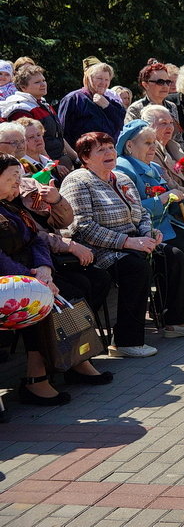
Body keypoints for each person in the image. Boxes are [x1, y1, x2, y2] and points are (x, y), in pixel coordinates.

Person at [0, 155, 115, 405]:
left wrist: (44, 269)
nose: (17, 185)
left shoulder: (10, 206)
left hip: (29, 273)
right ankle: (35, 378)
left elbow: (38, 239)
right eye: (11, 179)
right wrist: (33, 278)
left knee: (79, 287)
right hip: (10, 280)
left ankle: (74, 358)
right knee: (42, 302)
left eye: (18, 178)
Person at [59, 132, 164, 357]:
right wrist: (127, 242)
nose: (109, 153)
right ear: (85, 157)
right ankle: (126, 342)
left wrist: (149, 233)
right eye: (101, 150)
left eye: (110, 147)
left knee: (172, 254)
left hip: (133, 241)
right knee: (135, 268)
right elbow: (82, 227)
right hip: (100, 249)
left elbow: (141, 213)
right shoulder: (78, 180)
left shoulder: (121, 178)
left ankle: (177, 321)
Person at [114, 121, 184, 339]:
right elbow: (133, 210)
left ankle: (177, 311)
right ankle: (177, 319)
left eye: (154, 143)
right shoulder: (123, 170)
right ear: (129, 146)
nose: (152, 148)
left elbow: (170, 190)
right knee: (175, 253)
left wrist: (183, 195)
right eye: (147, 143)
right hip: (142, 231)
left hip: (163, 224)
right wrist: (163, 199)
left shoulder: (153, 167)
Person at [2, 64, 76, 166]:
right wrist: (51, 166)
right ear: (23, 87)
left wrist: (76, 158)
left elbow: (58, 136)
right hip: (40, 167)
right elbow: (30, 146)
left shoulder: (43, 104)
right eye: (37, 82)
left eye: (43, 80)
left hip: (57, 160)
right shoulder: (21, 110)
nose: (43, 84)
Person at [58, 62, 126, 149]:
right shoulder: (73, 99)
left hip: (109, 154)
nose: (103, 83)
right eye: (99, 78)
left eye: (107, 80)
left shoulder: (111, 102)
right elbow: (62, 133)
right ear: (89, 78)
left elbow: (121, 124)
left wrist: (107, 106)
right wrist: (75, 157)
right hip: (83, 155)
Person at [125, 61, 181, 127]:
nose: (165, 86)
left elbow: (178, 136)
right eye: (160, 82)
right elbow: (131, 135)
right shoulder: (135, 109)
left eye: (168, 82)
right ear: (145, 85)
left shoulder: (172, 107)